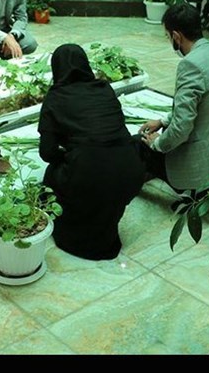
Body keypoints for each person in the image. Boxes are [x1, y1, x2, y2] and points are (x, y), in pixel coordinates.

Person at [38, 44, 144, 261]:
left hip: (89, 175)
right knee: (101, 179)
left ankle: (77, 231)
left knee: (54, 175)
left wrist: (69, 155)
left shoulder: (56, 97)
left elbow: (47, 152)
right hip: (131, 171)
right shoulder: (104, 89)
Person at [138, 4, 209, 193]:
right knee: (165, 132)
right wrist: (163, 121)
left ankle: (193, 189)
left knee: (140, 145)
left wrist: (156, 143)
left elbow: (181, 129)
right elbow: (202, 107)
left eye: (168, 36)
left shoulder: (191, 65)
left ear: (176, 36)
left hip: (204, 165)